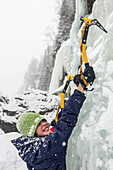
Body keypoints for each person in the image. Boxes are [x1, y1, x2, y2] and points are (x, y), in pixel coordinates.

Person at [11, 82, 86, 170]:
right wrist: (79, 91)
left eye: (43, 120)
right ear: (32, 133)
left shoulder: (31, 151)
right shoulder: (43, 147)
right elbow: (64, 125)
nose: (44, 123)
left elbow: (55, 134)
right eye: (38, 124)